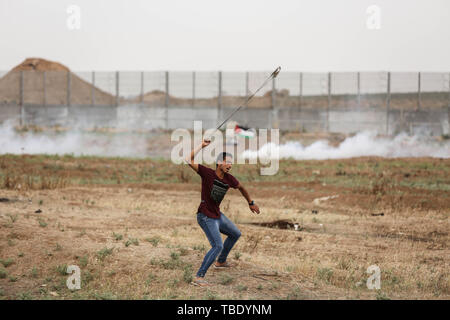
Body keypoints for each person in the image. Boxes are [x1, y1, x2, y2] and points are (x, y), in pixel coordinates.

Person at [185, 139, 260, 286]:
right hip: (205, 216)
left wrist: (250, 203)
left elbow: (242, 188)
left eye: (231, 163)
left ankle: (220, 261)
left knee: (235, 233)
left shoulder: (229, 179)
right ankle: (198, 277)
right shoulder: (207, 173)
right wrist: (202, 145)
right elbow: (188, 159)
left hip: (217, 215)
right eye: (227, 162)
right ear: (219, 162)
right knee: (217, 245)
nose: (230, 165)